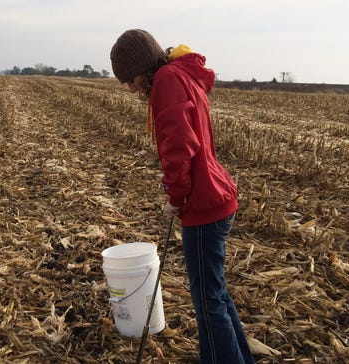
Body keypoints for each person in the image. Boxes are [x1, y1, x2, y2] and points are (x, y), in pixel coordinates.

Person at [110, 29, 255, 364]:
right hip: (215, 197)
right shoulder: (180, 75)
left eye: (129, 79)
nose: (130, 88)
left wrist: (175, 195)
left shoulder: (166, 82)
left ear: (140, 67)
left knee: (208, 301)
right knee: (214, 294)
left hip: (204, 203)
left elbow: (179, 147)